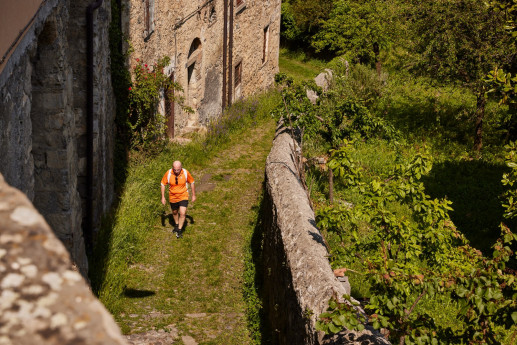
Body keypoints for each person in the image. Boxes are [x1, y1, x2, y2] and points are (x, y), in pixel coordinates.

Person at [161, 160, 196, 238]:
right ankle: (177, 224)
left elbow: (192, 182)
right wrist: (163, 197)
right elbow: (163, 184)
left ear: (181, 167)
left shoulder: (185, 173)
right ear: (172, 167)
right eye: (175, 169)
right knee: (174, 212)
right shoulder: (169, 173)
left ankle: (179, 230)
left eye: (178, 169)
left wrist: (193, 195)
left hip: (183, 195)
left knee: (183, 213)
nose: (176, 171)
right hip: (172, 196)